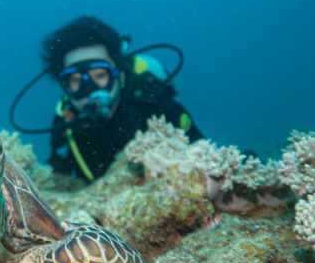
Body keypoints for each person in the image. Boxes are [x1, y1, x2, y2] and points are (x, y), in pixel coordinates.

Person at [42, 15, 201, 182]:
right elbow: (58, 179)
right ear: (65, 85)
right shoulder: (65, 122)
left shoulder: (158, 108)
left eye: (100, 75)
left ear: (121, 76)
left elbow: (203, 156)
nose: (88, 89)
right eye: (75, 80)